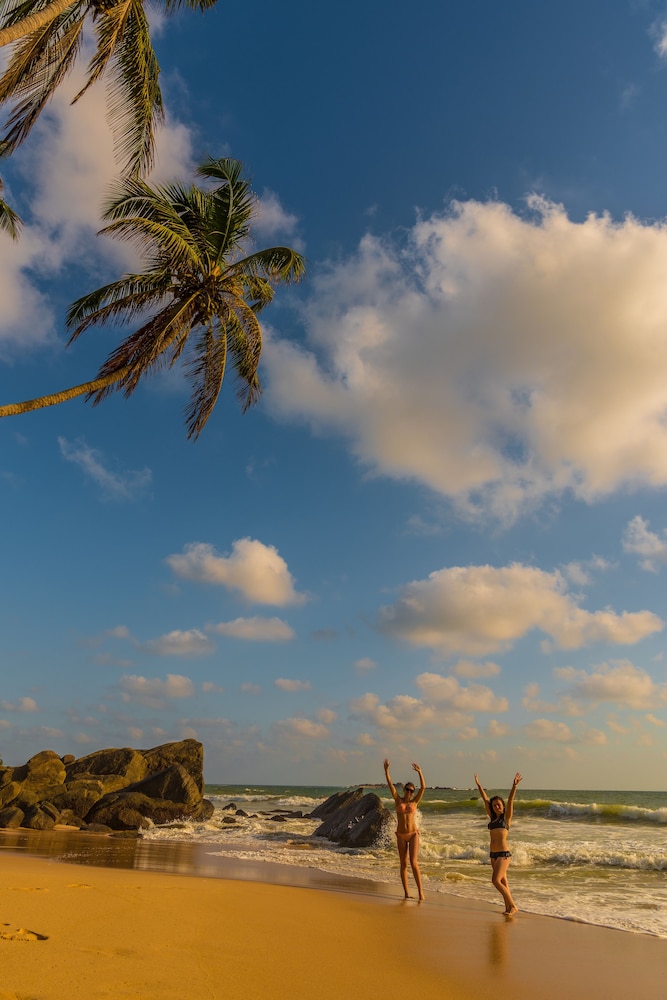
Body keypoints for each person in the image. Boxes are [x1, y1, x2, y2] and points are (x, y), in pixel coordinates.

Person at [474, 771, 522, 916]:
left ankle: (513, 905)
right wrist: (479, 785)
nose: (496, 807)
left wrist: (514, 786)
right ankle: (507, 907)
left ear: (503, 806)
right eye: (494, 805)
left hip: (503, 854)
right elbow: (485, 799)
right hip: (493, 855)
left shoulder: (506, 819)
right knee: (503, 882)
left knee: (495, 880)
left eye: (499, 805)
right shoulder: (492, 819)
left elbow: (511, 800)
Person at [383, 758, 426, 900]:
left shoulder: (415, 802)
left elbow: (424, 788)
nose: (409, 792)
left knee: (414, 862)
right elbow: (390, 785)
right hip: (401, 835)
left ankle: (420, 892)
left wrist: (420, 772)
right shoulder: (398, 800)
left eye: (411, 791)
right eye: (407, 789)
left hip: (413, 834)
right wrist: (386, 770)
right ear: (404, 790)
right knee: (403, 863)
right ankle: (407, 893)